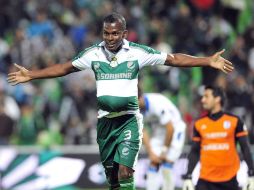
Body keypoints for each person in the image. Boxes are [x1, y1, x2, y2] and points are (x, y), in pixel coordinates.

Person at [7, 12, 234, 190]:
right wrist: (31, 75)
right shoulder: (93, 54)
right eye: (106, 33)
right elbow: (64, 68)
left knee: (126, 171)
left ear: (124, 34)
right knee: (113, 178)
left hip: (129, 121)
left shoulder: (137, 53)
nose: (110, 38)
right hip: (105, 122)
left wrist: (207, 61)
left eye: (115, 33)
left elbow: (174, 59)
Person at [182, 85, 254, 190]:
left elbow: (245, 148)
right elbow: (195, 151)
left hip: (229, 181)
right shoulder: (199, 123)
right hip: (205, 181)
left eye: (206, 96)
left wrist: (251, 173)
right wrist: (188, 176)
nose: (203, 100)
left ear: (217, 99)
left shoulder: (235, 121)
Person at [138, 91, 186, 190]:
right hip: (159, 130)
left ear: (140, 98)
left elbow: (170, 128)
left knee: (167, 164)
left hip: (175, 127)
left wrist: (164, 151)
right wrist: (151, 153)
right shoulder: (134, 109)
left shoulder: (155, 103)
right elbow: (142, 131)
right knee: (153, 162)